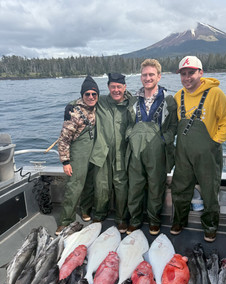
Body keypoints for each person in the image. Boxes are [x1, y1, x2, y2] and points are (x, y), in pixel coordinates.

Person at [171, 56, 226, 242]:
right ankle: (178, 222)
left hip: (208, 155)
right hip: (183, 154)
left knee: (209, 192)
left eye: (191, 72)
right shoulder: (178, 96)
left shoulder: (216, 94)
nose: (187, 77)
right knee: (180, 189)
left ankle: (210, 226)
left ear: (201, 72)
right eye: (183, 74)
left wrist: (214, 142)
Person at [126, 59, 177, 235]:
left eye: (151, 74)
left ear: (159, 76)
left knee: (156, 187)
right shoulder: (133, 99)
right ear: (141, 77)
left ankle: (154, 221)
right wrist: (130, 136)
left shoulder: (169, 100)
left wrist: (164, 139)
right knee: (135, 187)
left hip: (158, 152)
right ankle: (135, 220)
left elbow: (173, 127)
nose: (147, 78)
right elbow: (127, 124)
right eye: (144, 75)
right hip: (136, 151)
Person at [89, 73, 136, 233]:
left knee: (121, 187)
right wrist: (71, 107)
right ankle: (100, 214)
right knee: (101, 185)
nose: (116, 90)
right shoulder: (100, 101)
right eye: (113, 87)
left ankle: (122, 219)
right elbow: (84, 100)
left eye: (119, 87)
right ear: (108, 87)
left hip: (122, 153)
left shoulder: (132, 104)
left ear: (124, 87)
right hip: (102, 152)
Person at [55, 75, 99, 235]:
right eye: (87, 94)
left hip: (92, 155)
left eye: (94, 94)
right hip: (77, 157)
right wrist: (65, 161)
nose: (91, 97)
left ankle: (85, 211)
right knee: (74, 188)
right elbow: (64, 139)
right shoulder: (73, 111)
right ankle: (65, 222)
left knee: (89, 185)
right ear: (82, 95)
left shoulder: (97, 106)